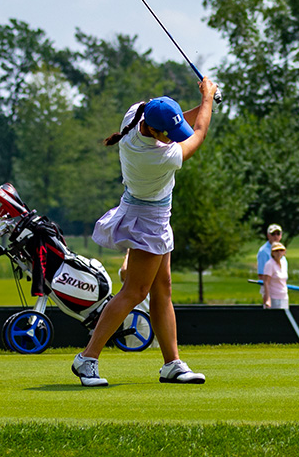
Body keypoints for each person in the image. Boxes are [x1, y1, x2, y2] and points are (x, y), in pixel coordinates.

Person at [72, 78, 217, 387]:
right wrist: (208, 99)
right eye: (168, 134)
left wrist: (206, 100)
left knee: (162, 289)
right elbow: (200, 134)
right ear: (153, 131)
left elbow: (180, 122)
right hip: (148, 220)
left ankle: (172, 364)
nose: (172, 138)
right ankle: (87, 358)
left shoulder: (137, 114)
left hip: (151, 214)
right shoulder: (158, 156)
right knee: (135, 292)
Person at [261, 242, 289, 309]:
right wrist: (268, 299)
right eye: (276, 251)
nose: (279, 253)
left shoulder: (283, 263)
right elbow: (266, 282)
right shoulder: (270, 264)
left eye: (281, 250)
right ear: (272, 253)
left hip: (284, 297)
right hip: (274, 297)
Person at [256, 224, 282, 294]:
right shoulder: (263, 251)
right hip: (269, 290)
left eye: (278, 234)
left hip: (280, 290)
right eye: (273, 234)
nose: (276, 236)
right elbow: (261, 275)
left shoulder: (281, 250)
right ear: (268, 235)